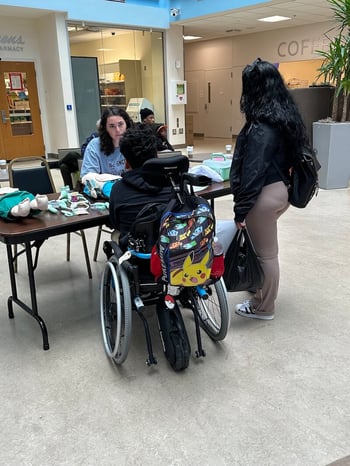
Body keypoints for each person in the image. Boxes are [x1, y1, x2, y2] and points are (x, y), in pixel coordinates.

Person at [230, 58, 309, 321]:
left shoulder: (261, 127)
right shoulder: (284, 118)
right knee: (262, 248)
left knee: (266, 254)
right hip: (281, 189)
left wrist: (240, 211)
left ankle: (264, 307)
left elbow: (253, 172)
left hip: (263, 196)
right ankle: (258, 286)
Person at [109, 125, 236, 252]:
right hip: (178, 251)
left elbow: (114, 223)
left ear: (126, 161)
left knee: (116, 234)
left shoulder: (118, 189)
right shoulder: (176, 185)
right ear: (156, 155)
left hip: (140, 257)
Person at [80, 107, 133, 179]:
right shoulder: (95, 146)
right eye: (112, 126)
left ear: (127, 124)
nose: (117, 130)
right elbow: (88, 178)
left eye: (120, 124)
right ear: (105, 128)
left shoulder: (135, 142)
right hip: (105, 188)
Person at [57, 119, 101, 190]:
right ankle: (70, 190)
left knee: (72, 155)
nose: (99, 131)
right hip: (85, 159)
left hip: (93, 163)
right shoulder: (94, 136)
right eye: (98, 129)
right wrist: (87, 154)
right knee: (63, 166)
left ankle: (56, 164)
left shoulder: (107, 138)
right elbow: (84, 147)